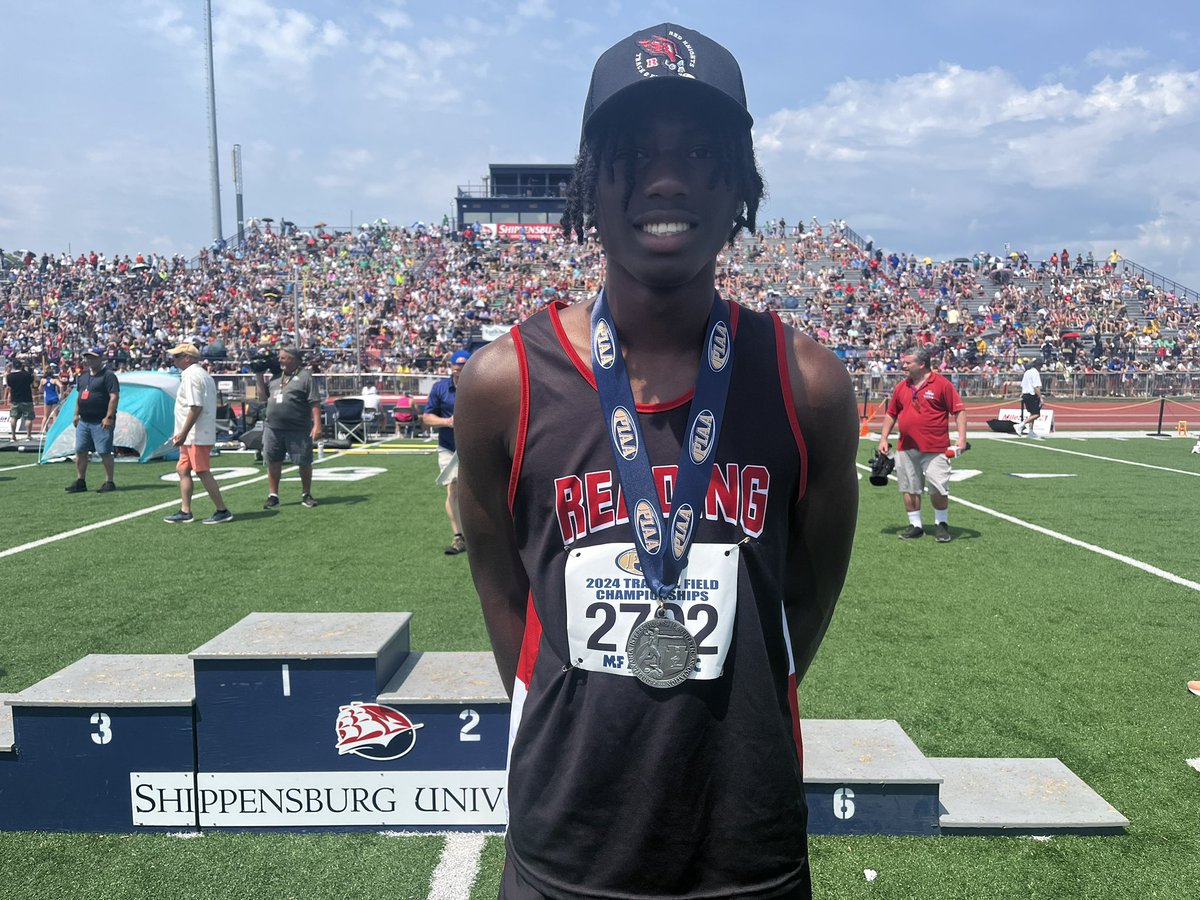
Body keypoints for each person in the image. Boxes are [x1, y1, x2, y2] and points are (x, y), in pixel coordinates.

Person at [455, 23, 858, 899]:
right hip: (566, 847)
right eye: (634, 152)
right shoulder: (502, 385)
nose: (666, 178)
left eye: (700, 151)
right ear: (589, 182)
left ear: (740, 182)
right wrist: (572, 711)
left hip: (746, 848)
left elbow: (806, 603)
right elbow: (503, 596)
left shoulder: (809, 385)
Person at [877, 346, 967, 542]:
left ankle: (941, 523)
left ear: (922, 364)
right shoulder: (902, 386)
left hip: (936, 448)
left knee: (938, 488)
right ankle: (915, 525)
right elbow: (891, 413)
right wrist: (884, 438)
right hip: (906, 447)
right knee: (909, 488)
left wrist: (961, 439)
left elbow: (959, 410)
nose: (903, 366)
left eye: (908, 363)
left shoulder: (942, 384)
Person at [163, 343, 232, 525]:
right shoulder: (199, 374)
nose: (173, 360)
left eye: (177, 356)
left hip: (195, 433)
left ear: (187, 358)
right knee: (183, 469)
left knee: (202, 470)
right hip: (193, 433)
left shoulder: (192, 375)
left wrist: (183, 433)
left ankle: (222, 510)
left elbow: (196, 406)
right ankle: (185, 510)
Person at [255, 346, 322, 510]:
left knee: (303, 461)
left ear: (293, 359)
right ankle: (273, 495)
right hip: (273, 428)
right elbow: (262, 397)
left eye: (283, 358)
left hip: (297, 428)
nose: (279, 360)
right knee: (273, 461)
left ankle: (306, 494)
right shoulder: (277, 376)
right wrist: (258, 375)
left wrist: (317, 425)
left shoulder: (305, 377)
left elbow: (314, 402)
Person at [423, 350, 469, 555]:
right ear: (451, 367)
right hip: (448, 446)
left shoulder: (479, 385)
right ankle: (458, 536)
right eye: (457, 368)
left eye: (463, 367)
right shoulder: (440, 388)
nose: (459, 371)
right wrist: (447, 422)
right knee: (453, 488)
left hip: (474, 446)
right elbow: (427, 417)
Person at [66, 348, 119, 493]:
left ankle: (109, 481)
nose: (90, 361)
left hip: (100, 420)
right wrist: (76, 414)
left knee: (104, 451)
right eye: (88, 358)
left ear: (100, 359)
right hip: (84, 420)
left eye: (93, 358)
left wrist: (109, 417)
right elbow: (79, 397)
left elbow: (114, 397)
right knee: (80, 450)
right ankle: (80, 481)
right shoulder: (83, 376)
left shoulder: (108, 376)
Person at [3, 357, 35, 442]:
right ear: (21, 366)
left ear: (14, 366)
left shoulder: (10, 376)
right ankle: (28, 436)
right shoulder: (27, 375)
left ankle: (13, 436)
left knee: (13, 417)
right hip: (27, 399)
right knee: (28, 418)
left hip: (15, 399)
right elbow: (32, 382)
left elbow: (9, 386)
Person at [1019, 360, 1043, 436]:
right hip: (1031, 395)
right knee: (1037, 414)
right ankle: (1020, 425)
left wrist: (1022, 394)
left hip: (1025, 394)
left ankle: (1031, 431)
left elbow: (1023, 385)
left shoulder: (1027, 372)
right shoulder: (1035, 373)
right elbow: (1036, 387)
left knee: (1032, 413)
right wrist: (1041, 397)